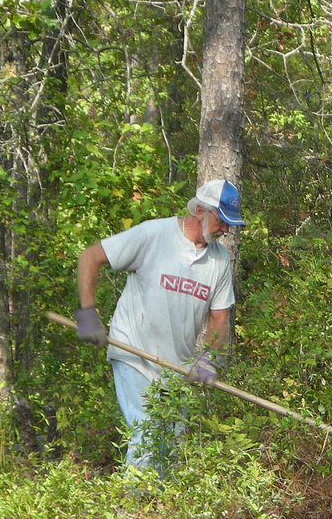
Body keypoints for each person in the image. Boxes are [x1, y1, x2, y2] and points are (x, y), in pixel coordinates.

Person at [74, 179, 245, 468]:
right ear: (201, 211)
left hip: (175, 367)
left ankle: (160, 512)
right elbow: (90, 257)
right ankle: (131, 510)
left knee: (170, 453)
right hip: (133, 351)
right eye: (222, 221)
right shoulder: (155, 234)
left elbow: (219, 318)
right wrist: (88, 314)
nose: (226, 230)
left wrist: (206, 358)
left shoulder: (219, 260)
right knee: (147, 436)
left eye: (231, 224)